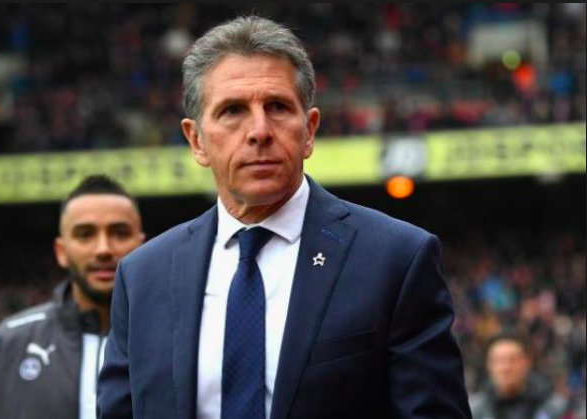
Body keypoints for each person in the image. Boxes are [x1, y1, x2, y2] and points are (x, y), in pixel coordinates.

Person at [98, 16, 471, 419]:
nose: (259, 131)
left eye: (277, 107)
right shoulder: (143, 276)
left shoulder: (396, 259)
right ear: (196, 140)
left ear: (309, 130)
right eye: (232, 110)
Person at [0, 175, 145, 419]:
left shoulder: (171, 336)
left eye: (119, 233)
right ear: (61, 251)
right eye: (85, 234)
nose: (103, 249)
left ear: (142, 245)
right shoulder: (9, 343)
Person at [471, 334, 570, 419]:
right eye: (499, 360)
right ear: (488, 365)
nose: (506, 367)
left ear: (528, 361)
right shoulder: (474, 410)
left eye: (513, 360)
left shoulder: (554, 408)